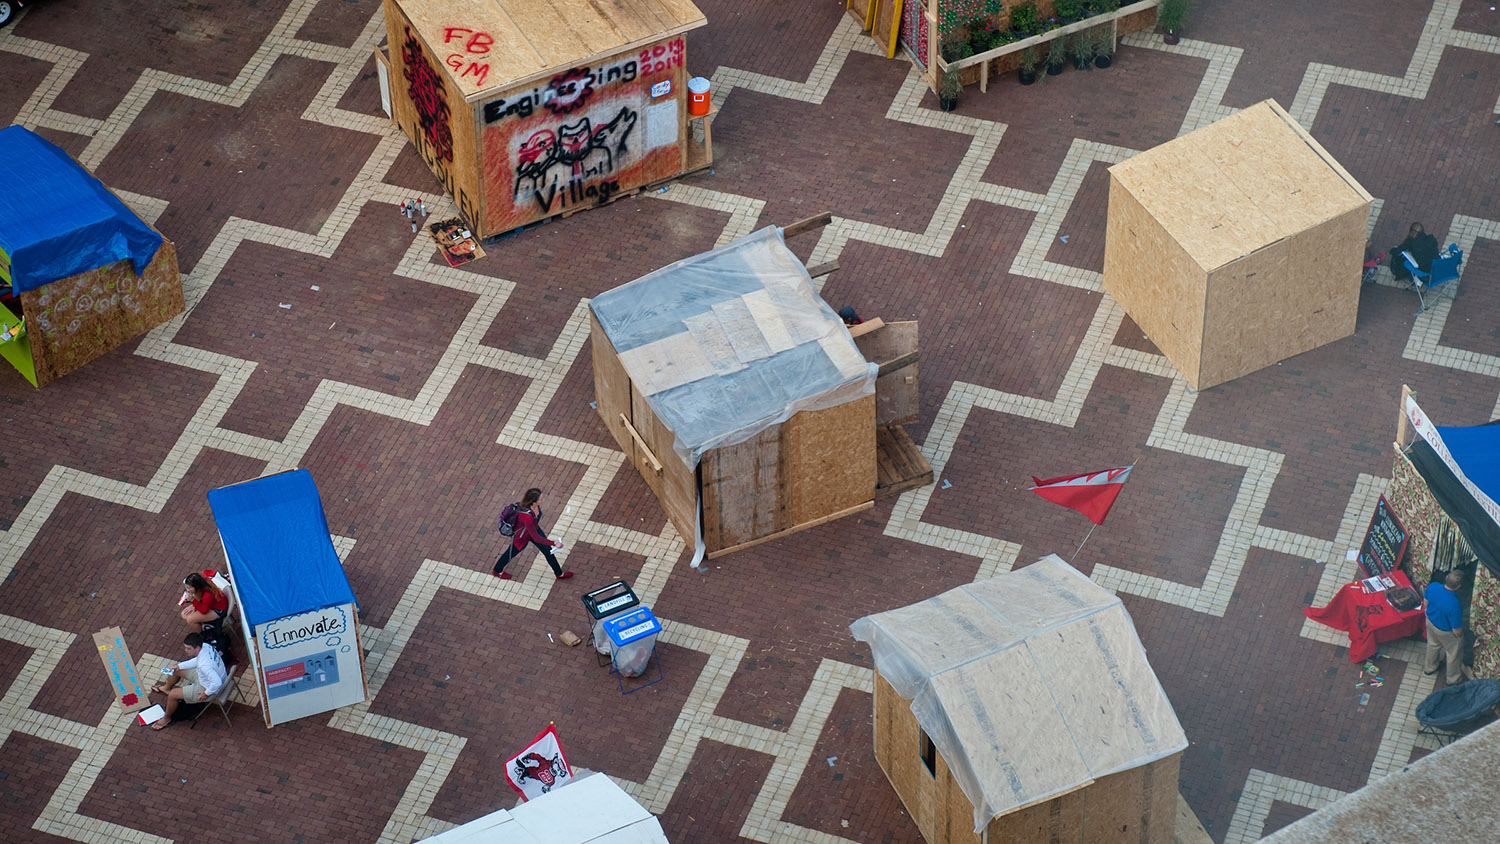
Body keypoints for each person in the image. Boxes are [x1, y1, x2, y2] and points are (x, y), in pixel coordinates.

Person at [149, 632, 227, 730]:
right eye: (185, 647)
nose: (186, 651)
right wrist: (179, 666)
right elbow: (197, 661)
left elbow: (217, 682)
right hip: (206, 677)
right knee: (176, 671)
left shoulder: (204, 665)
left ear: (197, 648)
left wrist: (206, 693)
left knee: (173, 695)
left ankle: (166, 718)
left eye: (189, 648)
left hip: (208, 687)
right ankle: (166, 688)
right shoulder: (206, 646)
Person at [493, 488, 570, 581]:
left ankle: (559, 573)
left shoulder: (533, 507)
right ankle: (497, 570)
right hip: (522, 537)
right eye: (541, 499)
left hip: (532, 529)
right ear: (534, 502)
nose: (543, 500)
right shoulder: (527, 517)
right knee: (511, 552)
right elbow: (536, 538)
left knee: (547, 551)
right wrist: (554, 543)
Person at [1424, 570, 1469, 686]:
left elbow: (1426, 603)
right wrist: (1460, 638)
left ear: (1446, 577)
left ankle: (1430, 668)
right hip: (1445, 632)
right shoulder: (1454, 604)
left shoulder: (1433, 586)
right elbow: (1456, 630)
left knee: (1433, 645)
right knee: (1453, 654)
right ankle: (1453, 679)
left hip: (1430, 622)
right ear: (1459, 586)